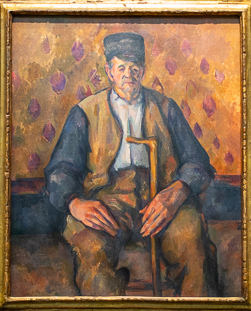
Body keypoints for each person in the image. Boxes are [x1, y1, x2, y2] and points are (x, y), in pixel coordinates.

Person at [45, 32, 217, 297]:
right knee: (90, 247)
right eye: (121, 68)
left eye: (134, 69)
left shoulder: (166, 107)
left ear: (143, 71)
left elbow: (199, 163)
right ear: (109, 71)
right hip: (107, 198)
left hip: (162, 193)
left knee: (192, 242)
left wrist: (177, 193)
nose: (129, 75)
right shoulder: (85, 111)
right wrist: (74, 202)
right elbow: (60, 170)